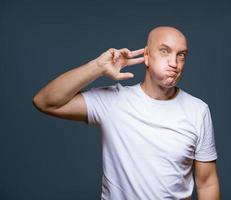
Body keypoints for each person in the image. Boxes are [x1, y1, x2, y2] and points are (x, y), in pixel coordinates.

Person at [33, 26, 220, 200]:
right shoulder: (113, 101)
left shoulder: (198, 110)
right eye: (164, 51)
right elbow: (45, 102)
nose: (174, 63)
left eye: (181, 55)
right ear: (146, 55)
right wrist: (98, 67)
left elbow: (206, 182)